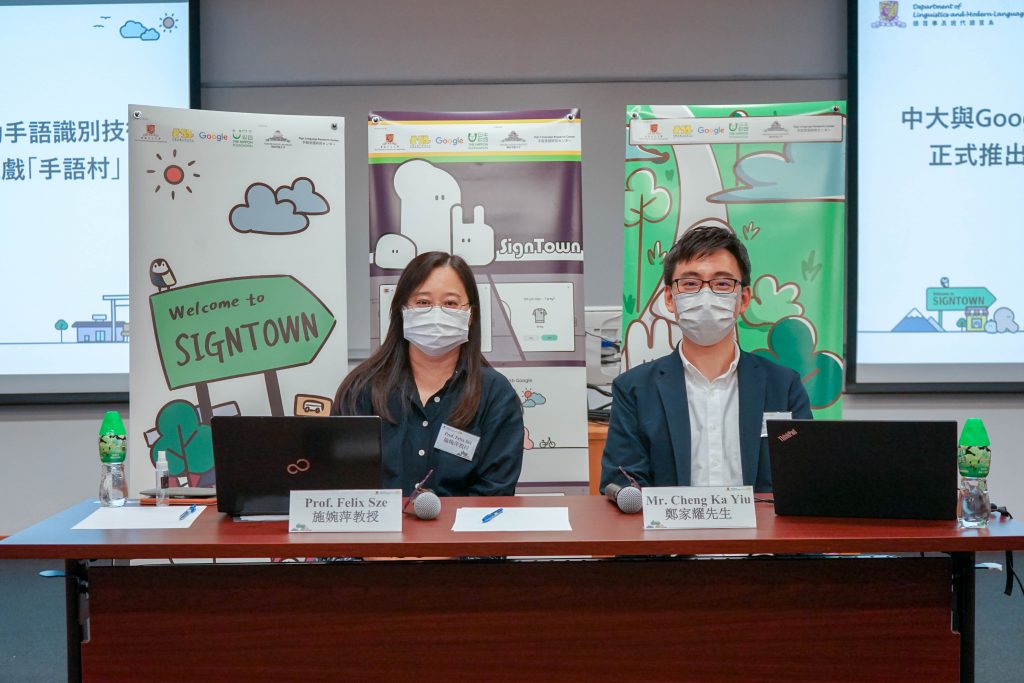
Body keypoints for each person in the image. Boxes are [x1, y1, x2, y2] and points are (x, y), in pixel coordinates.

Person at [601, 225, 811, 493]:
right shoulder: (634, 390)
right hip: (669, 533)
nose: (706, 295)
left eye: (722, 283)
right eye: (690, 283)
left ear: (743, 298)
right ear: (669, 298)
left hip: (760, 534)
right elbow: (622, 480)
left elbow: (802, 476)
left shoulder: (784, 386)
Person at [334, 251, 524, 496]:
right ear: (402, 310)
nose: (437, 314)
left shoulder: (495, 394)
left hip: (461, 532)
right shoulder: (361, 388)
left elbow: (495, 490)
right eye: (423, 302)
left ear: (470, 316)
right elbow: (341, 482)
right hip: (380, 531)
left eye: (451, 303)